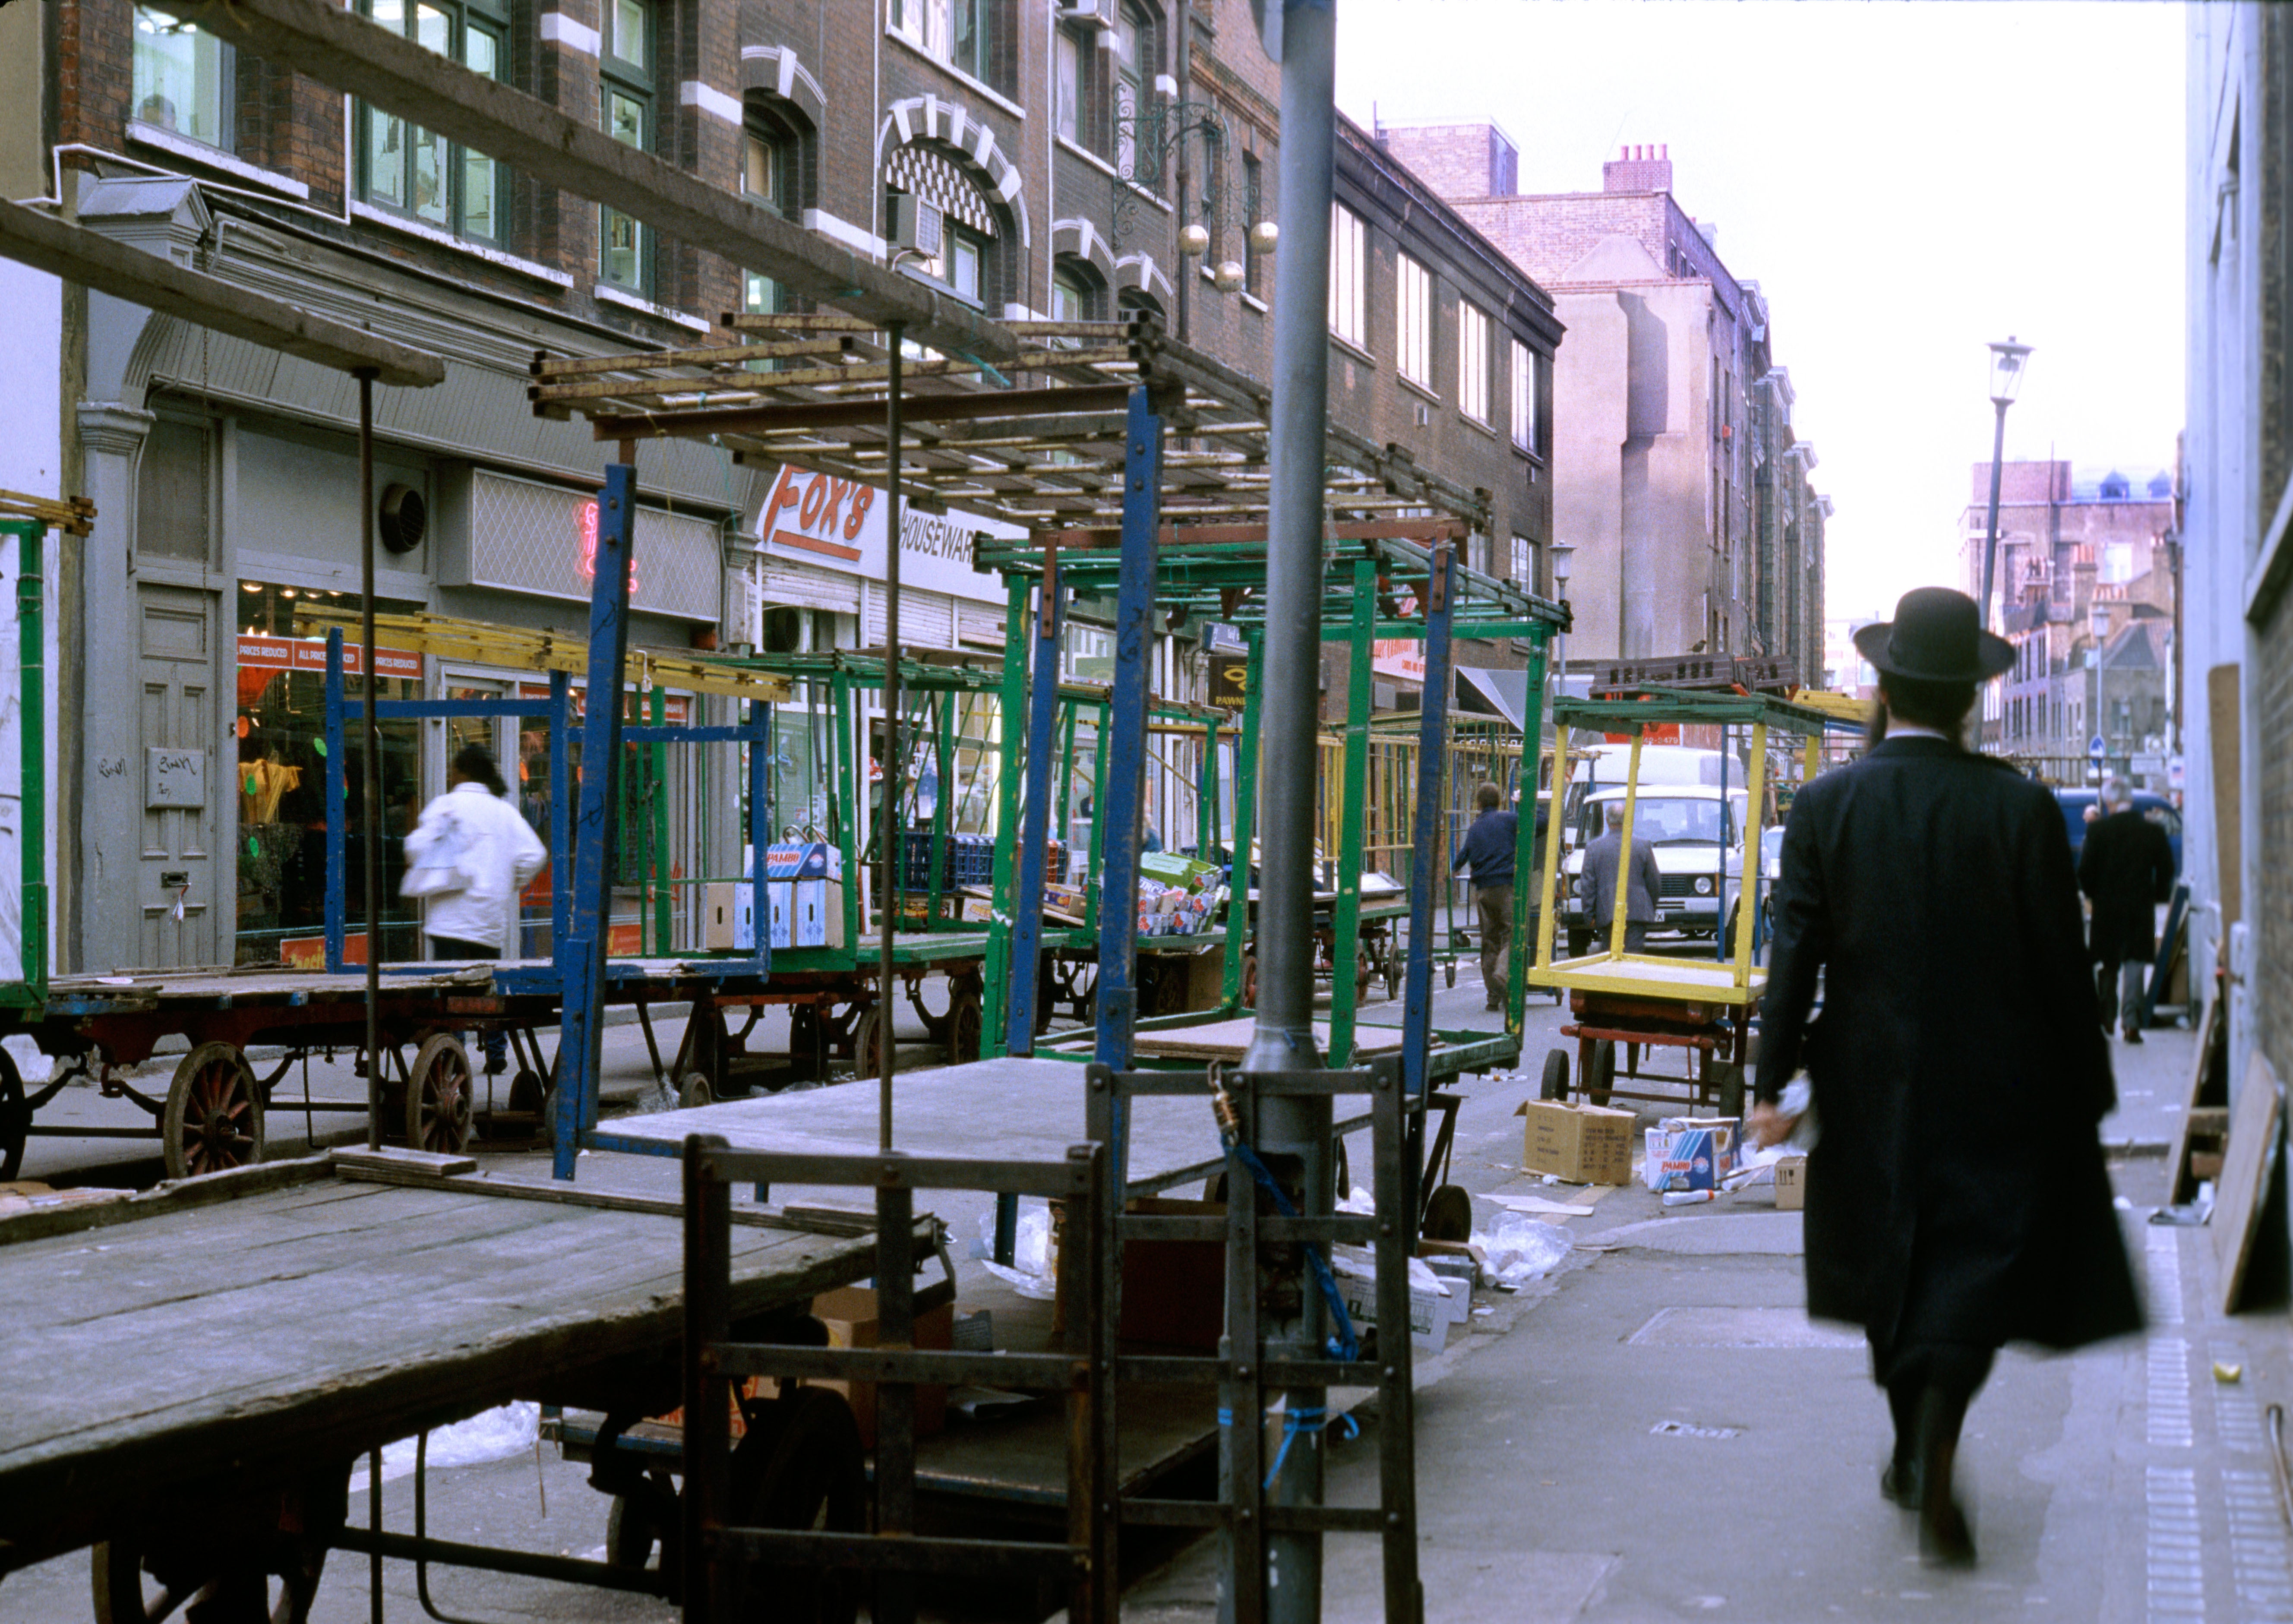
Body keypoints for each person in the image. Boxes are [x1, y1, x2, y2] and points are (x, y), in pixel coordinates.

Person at [1749, 587, 2141, 1568]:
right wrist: (2085, 1084)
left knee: (1892, 1263)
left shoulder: (1826, 804)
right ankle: (1935, 1428)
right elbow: (2060, 959)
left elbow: (1792, 953)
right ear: (1969, 699)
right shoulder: (2012, 807)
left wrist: (1769, 1083)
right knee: (1970, 1265)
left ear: (1882, 686)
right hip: (1996, 1079)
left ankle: (1907, 1434)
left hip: (1867, 1076)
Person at [405, 743, 547, 1073]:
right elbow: (534, 855)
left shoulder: (447, 806)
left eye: (453, 768)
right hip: (487, 923)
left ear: (462, 771)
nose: (450, 774)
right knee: (486, 990)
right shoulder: (504, 811)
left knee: (451, 998)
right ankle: (496, 1053)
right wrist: (508, 883)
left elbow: (415, 848)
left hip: (449, 923)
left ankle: (454, 1059)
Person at [2078, 776, 2176, 1044]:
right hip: (2139, 908)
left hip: (2107, 909)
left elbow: (2084, 871)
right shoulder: (2151, 831)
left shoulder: (2098, 833)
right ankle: (2132, 1023)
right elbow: (2167, 868)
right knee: (2134, 964)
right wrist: (2157, 895)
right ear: (2130, 800)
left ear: (2109, 801)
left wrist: (2093, 895)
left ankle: (2107, 1016)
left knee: (2108, 963)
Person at [1451, 781, 1518, 1011]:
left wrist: (1455, 868)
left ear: (1479, 803)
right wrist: (1525, 803)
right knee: (1512, 933)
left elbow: (1463, 855)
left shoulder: (1475, 828)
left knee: (1489, 940)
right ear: (1500, 801)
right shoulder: (1509, 819)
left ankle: (1493, 996)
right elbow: (1542, 822)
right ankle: (1503, 973)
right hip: (1507, 887)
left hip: (1483, 890)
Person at [1580, 799, 1661, 954]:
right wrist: (1650, 906)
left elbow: (1588, 885)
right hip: (1637, 911)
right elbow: (1654, 881)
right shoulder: (1643, 845)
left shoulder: (1593, 848)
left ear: (1607, 820)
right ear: (1628, 819)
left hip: (1606, 910)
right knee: (1633, 956)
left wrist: (1589, 915)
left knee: (1610, 955)